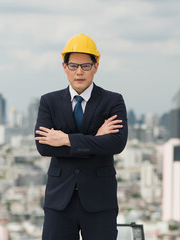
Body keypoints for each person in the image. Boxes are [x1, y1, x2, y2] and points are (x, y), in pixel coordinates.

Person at [34, 33, 128, 240]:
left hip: (100, 200)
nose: (79, 72)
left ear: (96, 66)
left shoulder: (112, 101)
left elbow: (117, 143)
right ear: (64, 66)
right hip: (59, 200)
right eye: (73, 65)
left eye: (86, 66)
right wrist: (96, 138)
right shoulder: (49, 101)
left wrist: (66, 140)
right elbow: (44, 147)